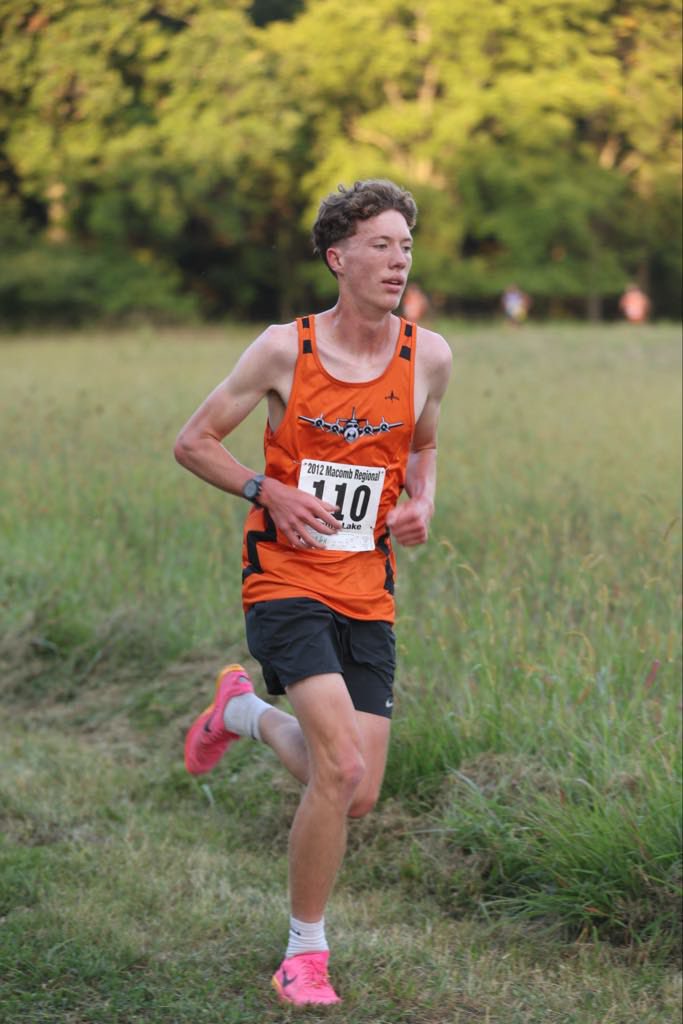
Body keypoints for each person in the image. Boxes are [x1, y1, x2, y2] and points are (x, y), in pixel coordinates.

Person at [174, 179, 452, 1007]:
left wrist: (422, 503)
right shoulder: (280, 350)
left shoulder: (428, 356)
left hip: (368, 587)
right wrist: (268, 490)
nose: (397, 260)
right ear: (338, 257)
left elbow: (424, 445)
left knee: (356, 791)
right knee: (338, 764)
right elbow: (193, 442)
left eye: (405, 246)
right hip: (286, 579)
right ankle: (304, 954)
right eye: (380, 245)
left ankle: (241, 713)